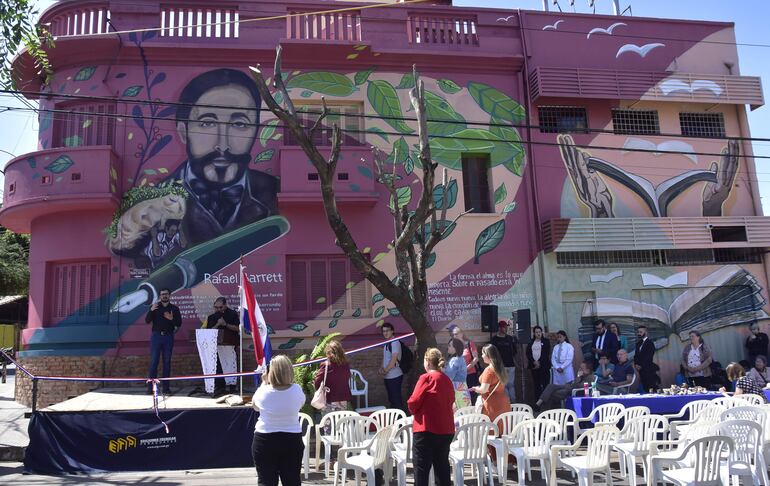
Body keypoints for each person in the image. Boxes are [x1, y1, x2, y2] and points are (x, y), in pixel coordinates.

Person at [108, 68, 280, 262]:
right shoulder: (147, 211)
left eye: (239, 124)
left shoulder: (275, 192)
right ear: (183, 131)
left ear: (256, 129)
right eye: (207, 123)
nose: (222, 145)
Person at [251, 355, 305, 486]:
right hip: (292, 440)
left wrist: (264, 383)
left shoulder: (263, 392)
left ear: (271, 373)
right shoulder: (297, 390)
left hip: (265, 440)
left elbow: (255, 406)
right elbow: (300, 404)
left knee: (266, 481)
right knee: (292, 481)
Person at [407, 348, 455, 486]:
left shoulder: (426, 378)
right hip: (446, 430)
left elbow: (414, 402)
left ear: (427, 361)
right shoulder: (446, 379)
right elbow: (451, 401)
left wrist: (413, 410)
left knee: (421, 471)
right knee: (442, 470)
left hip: (426, 429)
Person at [145, 288, 182, 394]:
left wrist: (171, 319)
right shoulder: (155, 307)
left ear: (169, 295)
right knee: (154, 362)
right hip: (156, 337)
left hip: (168, 337)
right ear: (160, 296)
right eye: (162, 294)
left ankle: (166, 388)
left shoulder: (174, 309)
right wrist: (151, 311)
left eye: (166, 294)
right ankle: (150, 388)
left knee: (167, 362)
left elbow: (179, 323)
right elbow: (147, 321)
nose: (164, 296)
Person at [202, 297, 240, 396]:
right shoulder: (211, 317)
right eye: (216, 307)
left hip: (230, 344)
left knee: (231, 364)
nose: (218, 309)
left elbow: (237, 328)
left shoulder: (233, 314)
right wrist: (218, 324)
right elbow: (209, 332)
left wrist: (225, 324)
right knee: (218, 366)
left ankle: (232, 386)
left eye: (220, 307)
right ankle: (220, 386)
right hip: (216, 346)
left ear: (225, 305)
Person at [471, 345, 510, 423]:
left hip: (492, 404)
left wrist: (475, 389)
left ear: (488, 355)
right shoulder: (500, 368)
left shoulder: (489, 370)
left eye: (483, 354)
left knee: (492, 431)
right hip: (504, 402)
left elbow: (483, 390)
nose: (481, 356)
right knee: (504, 429)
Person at [313, 340, 352, 417]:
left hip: (329, 399)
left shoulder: (326, 365)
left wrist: (320, 389)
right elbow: (347, 378)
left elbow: (317, 382)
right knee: (341, 425)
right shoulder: (346, 365)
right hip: (343, 399)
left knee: (329, 426)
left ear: (328, 352)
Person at [490, 320, 517, 402]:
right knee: (503, 385)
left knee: (511, 385)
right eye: (504, 327)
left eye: (506, 327)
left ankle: (514, 402)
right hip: (501, 366)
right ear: (500, 328)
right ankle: (508, 403)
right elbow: (492, 353)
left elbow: (515, 351)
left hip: (511, 365)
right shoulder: (495, 339)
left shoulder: (510, 338)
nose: (506, 329)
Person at [451, 327, 480, 402]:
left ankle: (474, 412)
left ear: (461, 334)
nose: (454, 336)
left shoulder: (470, 344)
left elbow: (476, 358)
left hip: (470, 374)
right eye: (453, 335)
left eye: (456, 334)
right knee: (462, 396)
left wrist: (467, 368)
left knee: (472, 395)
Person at [380, 322, 404, 410]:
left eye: (387, 331)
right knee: (392, 400)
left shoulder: (394, 342)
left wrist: (385, 371)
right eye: (383, 331)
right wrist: (382, 368)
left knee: (396, 400)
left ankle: (401, 421)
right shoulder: (387, 343)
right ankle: (395, 420)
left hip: (395, 376)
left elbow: (393, 360)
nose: (385, 333)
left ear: (392, 331)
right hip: (388, 376)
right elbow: (385, 358)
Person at [445, 338, 471, 411]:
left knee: (457, 418)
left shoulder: (455, 360)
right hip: (463, 390)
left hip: (456, 391)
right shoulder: (461, 358)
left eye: (450, 346)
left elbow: (448, 378)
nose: (448, 347)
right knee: (465, 416)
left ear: (456, 348)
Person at [526, 325, 551, 398]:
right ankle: (537, 403)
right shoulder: (531, 342)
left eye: (539, 332)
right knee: (536, 385)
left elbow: (546, 353)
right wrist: (534, 362)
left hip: (544, 366)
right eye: (536, 332)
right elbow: (528, 353)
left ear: (542, 332)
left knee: (545, 384)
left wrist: (539, 362)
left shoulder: (546, 341)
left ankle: (546, 403)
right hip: (534, 367)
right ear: (534, 333)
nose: (538, 333)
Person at [634, 325, 657, 393]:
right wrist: (636, 364)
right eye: (638, 332)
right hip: (641, 371)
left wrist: (641, 365)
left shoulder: (650, 343)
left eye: (641, 332)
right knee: (644, 387)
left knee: (651, 387)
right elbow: (636, 356)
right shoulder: (638, 343)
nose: (639, 333)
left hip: (648, 369)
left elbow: (649, 357)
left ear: (646, 332)